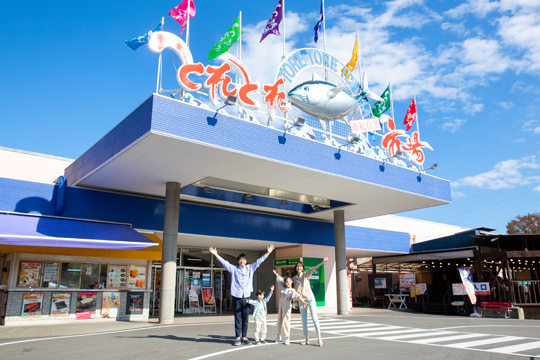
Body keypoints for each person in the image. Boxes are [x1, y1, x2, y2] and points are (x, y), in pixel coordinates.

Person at [209, 245, 274, 346]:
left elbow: (259, 261)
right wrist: (216, 254)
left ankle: (244, 336)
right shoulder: (234, 269)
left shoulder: (250, 268)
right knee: (237, 318)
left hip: (247, 297)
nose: (242, 261)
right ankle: (237, 337)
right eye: (240, 259)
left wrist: (268, 253)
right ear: (238, 261)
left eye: (243, 259)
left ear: (246, 261)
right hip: (236, 296)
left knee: (245, 317)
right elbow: (225, 263)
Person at [293, 256, 330, 347]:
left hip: (310, 298)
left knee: (314, 318)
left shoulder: (306, 274)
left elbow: (315, 268)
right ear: (296, 268)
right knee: (304, 320)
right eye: (297, 266)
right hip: (302, 300)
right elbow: (294, 290)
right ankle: (306, 339)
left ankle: (319, 338)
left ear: (303, 268)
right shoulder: (294, 278)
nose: (299, 267)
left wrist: (323, 261)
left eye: (300, 266)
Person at [273, 269, 307, 345]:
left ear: (292, 282)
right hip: (281, 303)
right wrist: (276, 274)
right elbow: (279, 279)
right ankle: (278, 335)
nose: (287, 283)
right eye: (286, 282)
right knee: (279, 319)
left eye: (288, 281)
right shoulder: (282, 287)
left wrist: (304, 302)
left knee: (286, 320)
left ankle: (287, 337)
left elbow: (298, 296)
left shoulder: (292, 291)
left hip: (287, 305)